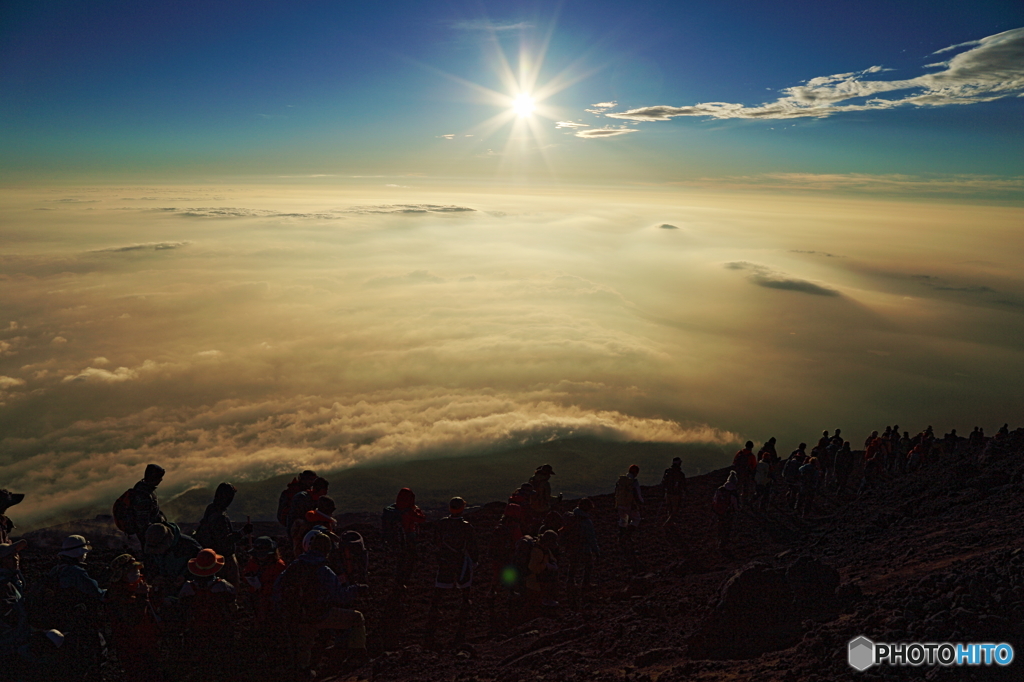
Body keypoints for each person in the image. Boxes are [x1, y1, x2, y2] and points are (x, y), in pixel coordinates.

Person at [275, 532, 368, 677]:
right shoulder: (323, 570)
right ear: (327, 550)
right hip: (319, 614)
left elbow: (278, 588)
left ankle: (303, 672)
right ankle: (356, 656)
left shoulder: (294, 566)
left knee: (304, 645)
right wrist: (357, 589)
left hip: (297, 615)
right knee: (357, 619)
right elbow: (340, 596)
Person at [426, 498, 479, 645]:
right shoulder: (466, 526)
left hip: (445, 557)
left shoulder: (442, 523)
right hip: (460, 557)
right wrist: (475, 559)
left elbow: (435, 540)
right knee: (464, 579)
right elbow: (472, 544)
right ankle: (465, 600)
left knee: (442, 580)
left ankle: (435, 605)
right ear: (463, 508)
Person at [178, 548, 236, 679]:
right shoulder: (222, 586)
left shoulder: (188, 587)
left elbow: (182, 603)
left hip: (196, 627)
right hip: (220, 626)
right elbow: (232, 597)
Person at [105, 554, 163, 682]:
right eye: (132, 570)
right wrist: (142, 597)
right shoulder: (117, 594)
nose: (137, 572)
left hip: (147, 639)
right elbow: (132, 619)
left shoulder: (138, 584)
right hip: (131, 644)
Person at [193, 482, 252, 587]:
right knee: (231, 586)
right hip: (224, 558)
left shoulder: (210, 509)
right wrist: (243, 532)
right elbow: (225, 541)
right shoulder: (220, 517)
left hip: (211, 556)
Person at [143, 522, 202, 596]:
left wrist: (185, 578)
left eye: (158, 549)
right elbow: (148, 566)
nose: (156, 552)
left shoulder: (190, 547)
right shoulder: (151, 543)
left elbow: (203, 570)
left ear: (167, 542)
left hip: (186, 593)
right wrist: (154, 578)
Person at [241, 536, 287, 628]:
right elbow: (246, 574)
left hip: (272, 597)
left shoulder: (278, 565)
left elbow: (281, 583)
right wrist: (249, 578)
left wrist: (264, 586)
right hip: (256, 595)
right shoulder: (253, 562)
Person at [560, 498, 599, 597]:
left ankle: (570, 582)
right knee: (589, 565)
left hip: (572, 545)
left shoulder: (571, 517)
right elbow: (591, 538)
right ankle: (586, 584)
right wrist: (596, 551)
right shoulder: (586, 522)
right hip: (583, 547)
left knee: (573, 565)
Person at [127, 464, 168, 548]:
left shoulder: (141, 489)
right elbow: (142, 522)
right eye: (159, 477)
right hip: (149, 535)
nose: (161, 479)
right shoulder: (144, 496)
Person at [614, 465, 644, 573]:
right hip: (630, 505)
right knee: (636, 519)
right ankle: (627, 535)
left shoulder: (621, 480)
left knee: (623, 521)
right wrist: (641, 503)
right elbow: (638, 495)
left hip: (621, 504)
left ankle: (621, 537)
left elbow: (617, 492)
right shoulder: (633, 482)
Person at [524, 530, 559, 607]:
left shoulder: (545, 549)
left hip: (539, 579)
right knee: (534, 602)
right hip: (534, 581)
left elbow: (551, 558)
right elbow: (532, 567)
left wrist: (552, 563)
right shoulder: (537, 551)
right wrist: (546, 566)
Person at [711, 473, 740, 554]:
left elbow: (715, 499)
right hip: (727, 513)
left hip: (718, 511)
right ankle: (722, 544)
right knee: (727, 528)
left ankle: (719, 539)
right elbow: (735, 505)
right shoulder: (733, 492)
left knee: (720, 525)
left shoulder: (720, 489)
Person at [660, 458, 687, 523]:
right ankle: (667, 524)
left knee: (669, 510)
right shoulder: (680, 474)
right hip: (675, 494)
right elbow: (683, 485)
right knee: (675, 511)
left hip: (668, 493)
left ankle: (671, 524)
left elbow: (663, 483)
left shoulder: (668, 472)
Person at [732, 441, 757, 507]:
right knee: (746, 488)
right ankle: (744, 502)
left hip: (738, 473)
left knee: (737, 487)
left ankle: (735, 501)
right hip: (746, 475)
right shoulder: (751, 456)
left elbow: (734, 462)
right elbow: (754, 466)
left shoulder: (739, 453)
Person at [783, 444, 807, 510]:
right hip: (795, 479)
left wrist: (784, 476)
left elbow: (785, 469)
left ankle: (788, 501)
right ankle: (791, 504)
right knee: (794, 492)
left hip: (789, 478)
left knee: (790, 490)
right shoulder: (799, 463)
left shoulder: (791, 460)